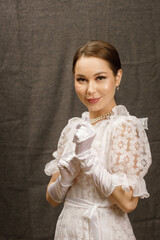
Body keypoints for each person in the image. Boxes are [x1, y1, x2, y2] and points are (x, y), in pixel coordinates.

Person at [44, 40, 152, 240]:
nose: (90, 90)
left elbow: (128, 203)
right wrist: (64, 179)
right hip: (68, 230)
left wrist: (91, 163)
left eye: (100, 78)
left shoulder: (124, 127)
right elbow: (52, 199)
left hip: (104, 231)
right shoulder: (72, 129)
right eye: (82, 79)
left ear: (117, 77)